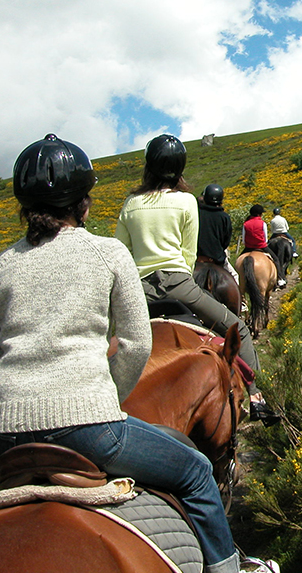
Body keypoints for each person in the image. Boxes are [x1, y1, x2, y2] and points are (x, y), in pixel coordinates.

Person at [0, 134, 278, 573]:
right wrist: (107, 398)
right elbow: (134, 343)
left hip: (1, 437)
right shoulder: (108, 255)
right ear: (85, 203)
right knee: (193, 472)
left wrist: (11, 398)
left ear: (23, 206)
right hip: (90, 427)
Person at [115, 135, 276, 423]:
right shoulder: (187, 201)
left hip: (138, 289)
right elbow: (189, 254)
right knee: (238, 329)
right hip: (180, 285)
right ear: (180, 169)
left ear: (148, 166)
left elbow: (121, 252)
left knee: (105, 339)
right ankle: (256, 396)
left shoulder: (131, 203)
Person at [197, 183, 241, 283]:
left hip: (197, 258)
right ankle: (241, 298)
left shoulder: (197, 213)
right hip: (216, 258)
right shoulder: (224, 217)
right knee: (235, 277)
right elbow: (226, 241)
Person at [241, 203, 286, 288]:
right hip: (261, 246)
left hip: (248, 247)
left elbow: (243, 240)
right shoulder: (262, 223)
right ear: (259, 214)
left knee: (238, 262)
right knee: (276, 259)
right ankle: (280, 279)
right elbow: (265, 239)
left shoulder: (245, 224)